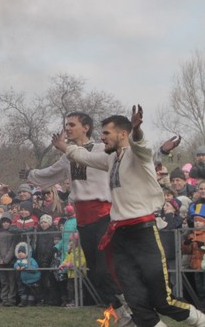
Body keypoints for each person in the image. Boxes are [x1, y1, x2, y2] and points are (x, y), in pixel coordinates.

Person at [53, 105, 205, 326]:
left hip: (144, 234)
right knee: (136, 303)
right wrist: (64, 147)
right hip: (120, 235)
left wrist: (137, 130)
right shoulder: (110, 160)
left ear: (123, 134)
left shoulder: (137, 154)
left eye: (107, 133)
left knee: (164, 301)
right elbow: (83, 156)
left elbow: (142, 147)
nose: (102, 137)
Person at [21, 112, 132, 320]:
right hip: (83, 219)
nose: (68, 128)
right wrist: (29, 175)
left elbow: (126, 154)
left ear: (86, 128)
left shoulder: (102, 149)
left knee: (103, 270)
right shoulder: (66, 157)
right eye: (66, 124)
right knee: (93, 272)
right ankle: (121, 313)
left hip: (104, 215)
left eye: (72, 124)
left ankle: (132, 305)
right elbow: (49, 174)